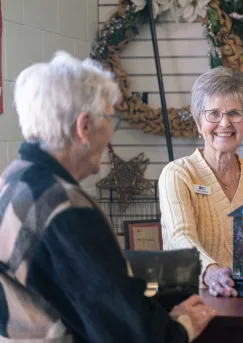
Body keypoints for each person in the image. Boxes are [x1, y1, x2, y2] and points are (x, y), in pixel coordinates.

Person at [0, 51, 215, 342]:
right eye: (111, 118)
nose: (111, 133)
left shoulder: (12, 180)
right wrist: (181, 326)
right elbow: (126, 332)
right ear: (84, 127)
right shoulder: (66, 208)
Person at [159, 67, 243, 298]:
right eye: (213, 114)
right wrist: (211, 272)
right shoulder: (177, 174)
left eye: (234, 113)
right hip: (189, 301)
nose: (224, 123)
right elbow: (180, 237)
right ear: (199, 123)